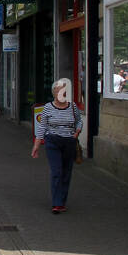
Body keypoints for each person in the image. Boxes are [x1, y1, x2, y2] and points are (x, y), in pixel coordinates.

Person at [31, 78, 84, 214]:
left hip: (69, 142)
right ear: (54, 93)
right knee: (57, 172)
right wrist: (36, 146)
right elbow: (42, 126)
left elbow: (79, 122)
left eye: (63, 90)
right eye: (57, 90)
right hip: (52, 141)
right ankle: (57, 203)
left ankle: (62, 200)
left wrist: (76, 134)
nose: (60, 93)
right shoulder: (48, 108)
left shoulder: (72, 107)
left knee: (66, 173)